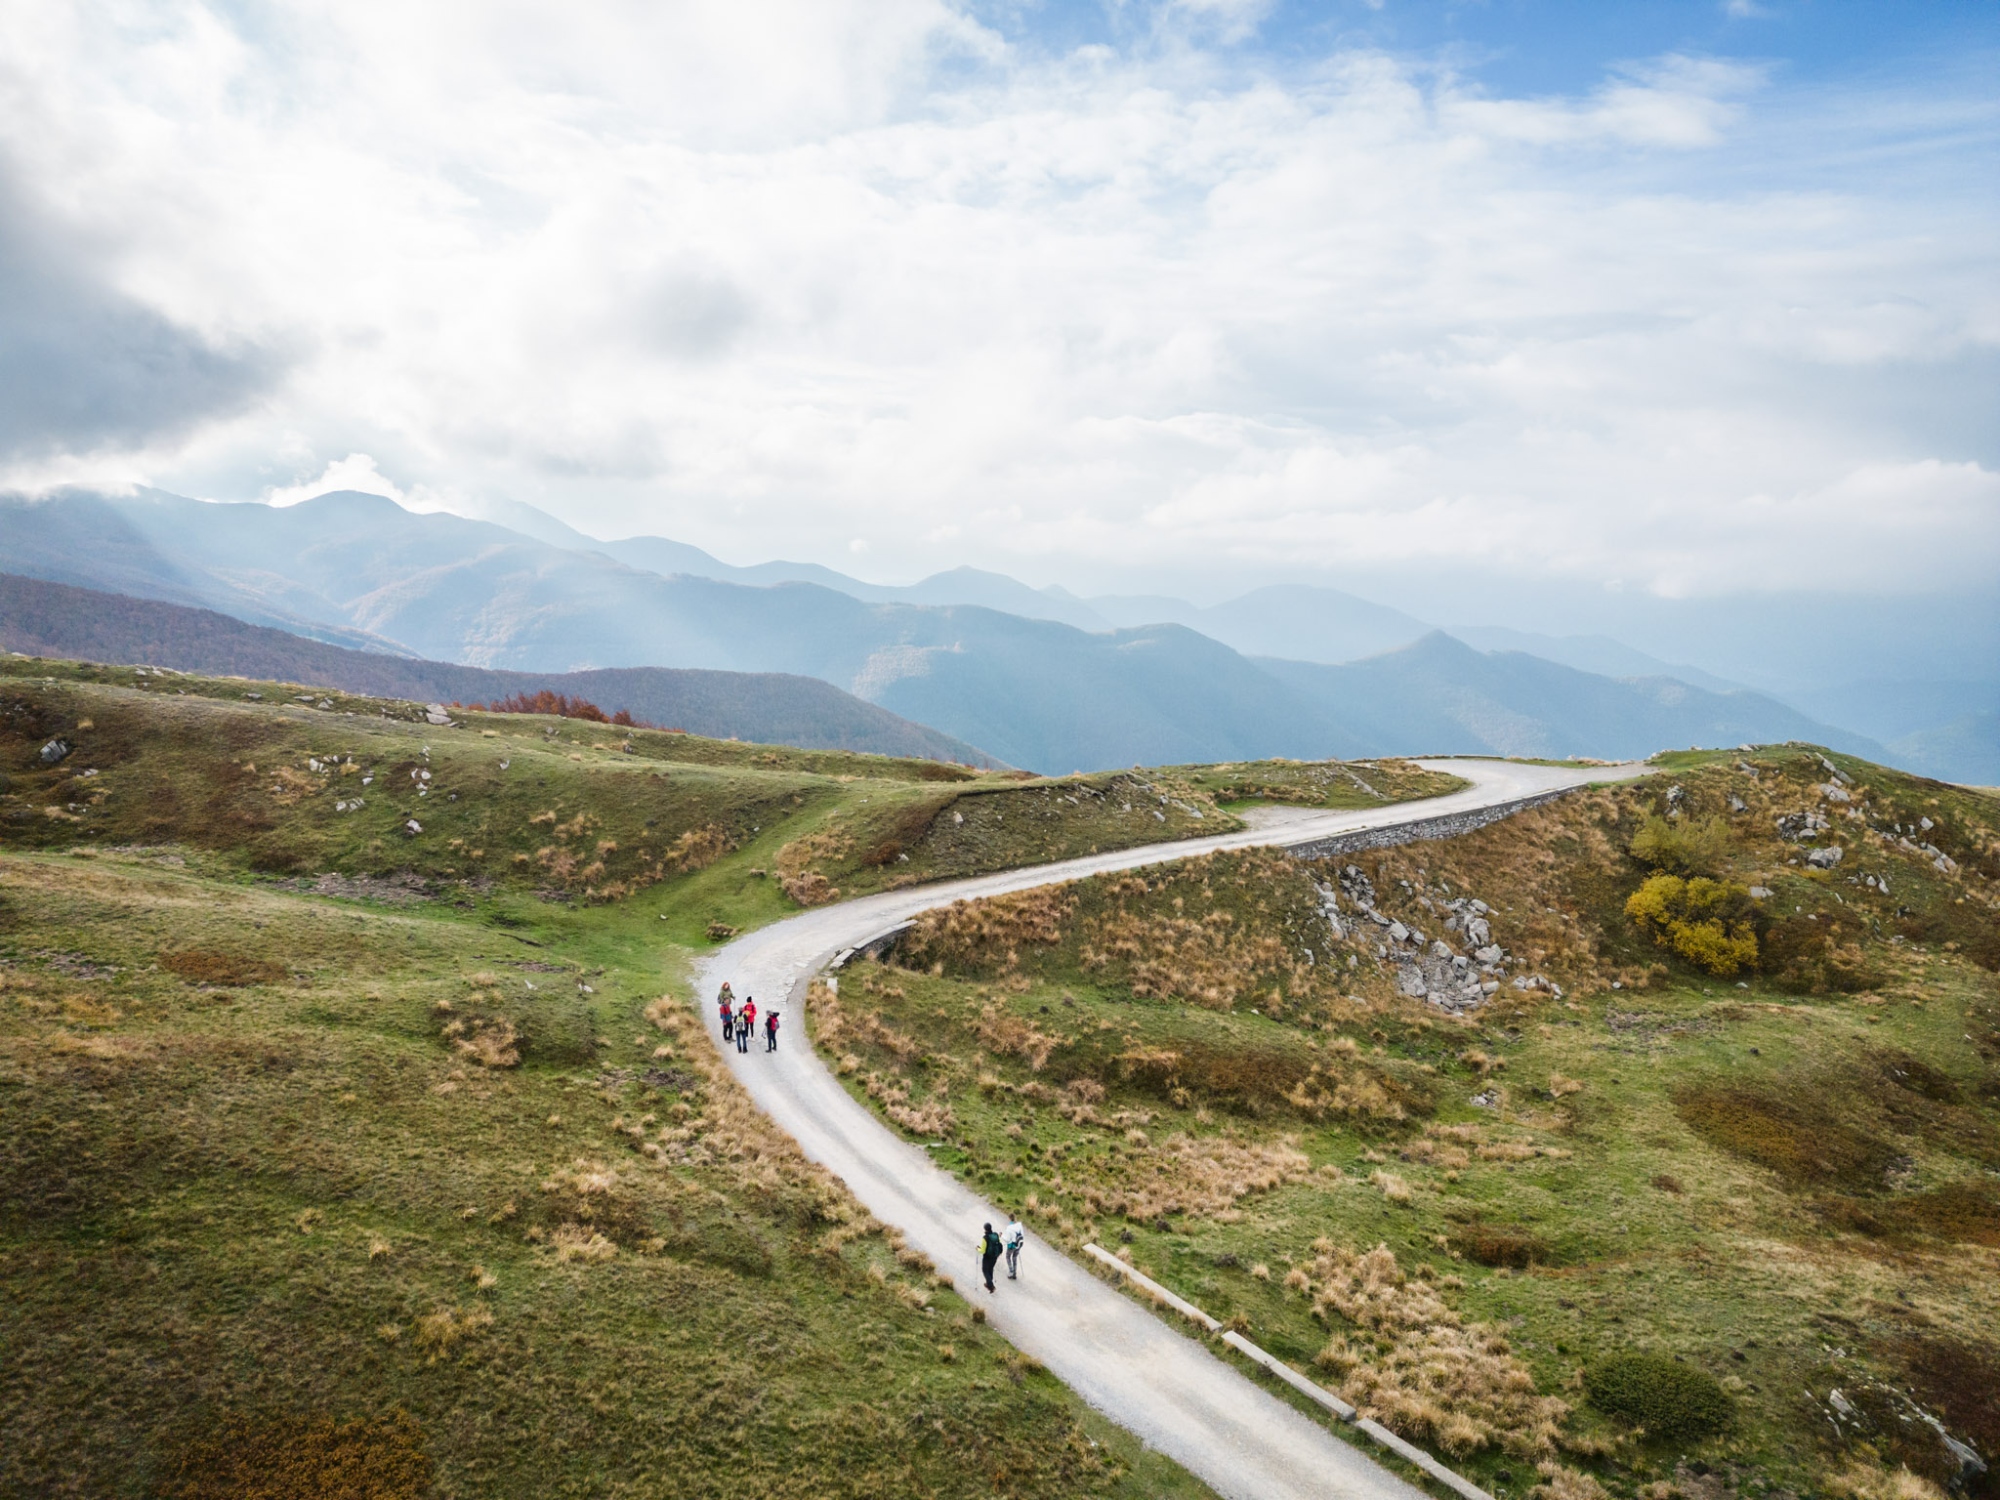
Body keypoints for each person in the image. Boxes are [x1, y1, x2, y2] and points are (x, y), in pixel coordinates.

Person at [978, 1222, 1004, 1293]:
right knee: (990, 1269)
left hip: (987, 1257)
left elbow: (983, 1251)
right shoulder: (995, 1235)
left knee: (985, 1270)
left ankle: (991, 1286)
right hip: (995, 1256)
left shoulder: (985, 1238)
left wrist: (978, 1249)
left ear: (985, 1229)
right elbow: (998, 1243)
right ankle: (989, 1282)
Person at [1004, 1215, 1025, 1280]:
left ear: (1009, 1219)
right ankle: (1014, 1273)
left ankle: (1011, 1271)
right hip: (1019, 1244)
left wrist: (1001, 1236)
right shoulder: (1020, 1225)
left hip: (1012, 1245)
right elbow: (1023, 1235)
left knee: (1008, 1256)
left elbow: (1007, 1239)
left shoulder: (1009, 1228)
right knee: (1014, 1257)